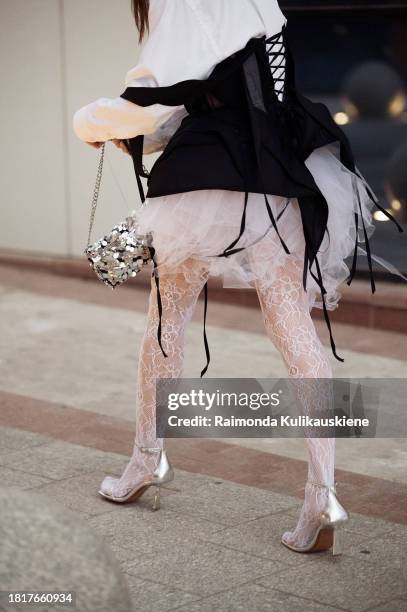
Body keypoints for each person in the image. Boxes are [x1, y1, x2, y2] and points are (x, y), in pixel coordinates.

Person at [73, 0, 402, 555]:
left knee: (165, 324)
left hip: (209, 177)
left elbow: (154, 104)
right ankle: (322, 492)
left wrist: (90, 121)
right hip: (281, 171)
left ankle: (145, 461)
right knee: (294, 328)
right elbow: (250, 85)